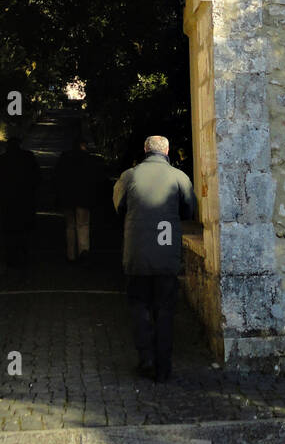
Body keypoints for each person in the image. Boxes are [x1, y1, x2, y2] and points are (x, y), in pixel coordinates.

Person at [113, 135, 196, 383]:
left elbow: (119, 207)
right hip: (166, 256)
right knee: (165, 311)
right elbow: (188, 210)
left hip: (137, 255)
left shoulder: (129, 176)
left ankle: (146, 358)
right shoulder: (179, 177)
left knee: (139, 308)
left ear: (145, 150)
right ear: (167, 150)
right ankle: (164, 366)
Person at [0, 135, 40, 267]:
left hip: (7, 200)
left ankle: (10, 255)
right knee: (24, 227)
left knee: (9, 228)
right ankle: (24, 253)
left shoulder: (0, 160)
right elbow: (36, 178)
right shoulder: (28, 157)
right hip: (25, 199)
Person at [54, 136, 105, 261]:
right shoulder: (89, 159)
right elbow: (96, 180)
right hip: (84, 198)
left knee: (70, 226)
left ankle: (71, 255)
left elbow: (57, 177)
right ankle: (83, 252)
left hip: (67, 198)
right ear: (83, 145)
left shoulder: (64, 158)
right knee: (83, 225)